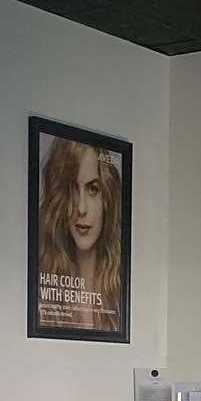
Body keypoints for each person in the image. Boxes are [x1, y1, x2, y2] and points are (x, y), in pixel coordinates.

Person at [36, 137, 124, 333]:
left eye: (93, 189)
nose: (81, 208)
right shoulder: (41, 295)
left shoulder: (121, 294)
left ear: (107, 198)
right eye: (72, 190)